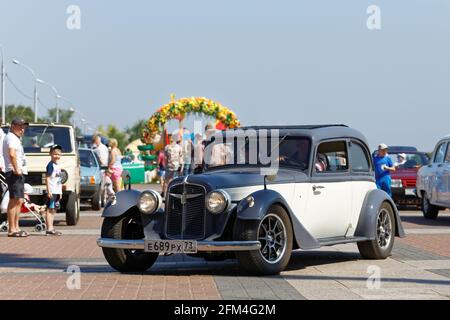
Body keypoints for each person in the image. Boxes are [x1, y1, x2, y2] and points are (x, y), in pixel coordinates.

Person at [3, 118, 29, 237]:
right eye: (20, 126)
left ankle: (16, 227)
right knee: (14, 200)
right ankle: (12, 229)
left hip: (19, 172)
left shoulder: (16, 138)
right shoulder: (11, 137)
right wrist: (16, 168)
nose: (22, 129)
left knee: (19, 200)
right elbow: (12, 153)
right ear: (13, 126)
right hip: (14, 173)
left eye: (23, 127)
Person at [45, 145, 63, 236]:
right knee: (50, 209)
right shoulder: (50, 165)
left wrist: (61, 192)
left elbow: (59, 180)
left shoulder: (58, 165)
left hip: (57, 191)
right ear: (50, 154)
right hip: (52, 191)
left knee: (54, 209)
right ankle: (49, 228)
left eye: (59, 154)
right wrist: (49, 191)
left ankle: (51, 227)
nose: (57, 156)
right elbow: (47, 178)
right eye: (55, 154)